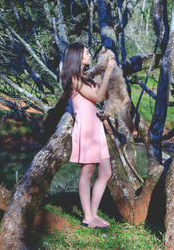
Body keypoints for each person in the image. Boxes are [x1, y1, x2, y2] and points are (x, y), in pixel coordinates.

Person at [60, 42, 116, 229]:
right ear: (77, 57)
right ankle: (87, 217)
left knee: (106, 172)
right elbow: (98, 98)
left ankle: (92, 213)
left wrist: (107, 72)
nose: (89, 54)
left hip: (96, 126)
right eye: (86, 53)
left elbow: (101, 95)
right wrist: (107, 72)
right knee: (88, 172)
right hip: (86, 128)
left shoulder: (84, 77)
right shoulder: (73, 78)